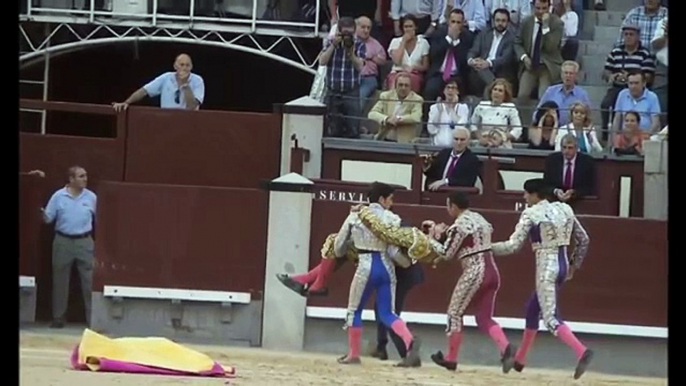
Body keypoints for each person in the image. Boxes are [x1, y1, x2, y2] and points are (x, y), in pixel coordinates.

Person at [490, 178, 593, 380]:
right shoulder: (565, 209)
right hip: (562, 265)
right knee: (532, 308)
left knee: (551, 318)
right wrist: (573, 265)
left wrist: (487, 247)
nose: (524, 197)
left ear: (536, 195)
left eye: (526, 193)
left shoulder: (531, 214)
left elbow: (512, 246)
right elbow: (584, 240)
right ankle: (520, 360)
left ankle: (581, 351)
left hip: (547, 268)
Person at [421, 192, 516, 373]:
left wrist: (431, 239)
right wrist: (443, 232)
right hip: (492, 272)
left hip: (475, 272)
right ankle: (506, 349)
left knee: (454, 313)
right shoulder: (480, 219)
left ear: (454, 206)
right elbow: (467, 240)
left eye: (448, 206)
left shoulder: (459, 226)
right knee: (484, 317)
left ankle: (451, 358)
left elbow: (447, 254)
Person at [332, 182, 421, 367]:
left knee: (354, 311)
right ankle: (410, 341)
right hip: (387, 268)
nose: (391, 203)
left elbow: (338, 247)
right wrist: (408, 263)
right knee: (388, 313)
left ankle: (353, 354)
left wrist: (351, 249)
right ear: (382, 199)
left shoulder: (355, 216)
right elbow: (395, 252)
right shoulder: (392, 218)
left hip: (365, 266)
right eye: (390, 199)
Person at [41, 166, 97, 328]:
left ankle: (92, 318)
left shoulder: (91, 197)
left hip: (84, 240)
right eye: (81, 176)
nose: (85, 179)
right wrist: (39, 211)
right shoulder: (58, 196)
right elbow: (48, 219)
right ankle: (58, 317)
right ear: (71, 179)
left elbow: (102, 219)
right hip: (63, 240)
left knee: (89, 281)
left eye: (85, 175)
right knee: (60, 280)